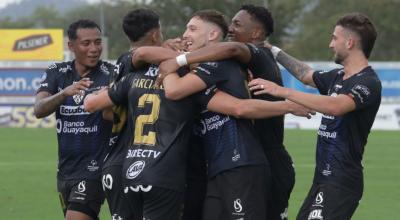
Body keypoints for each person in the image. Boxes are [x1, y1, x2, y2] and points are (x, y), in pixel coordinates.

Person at [157, 9, 312, 220]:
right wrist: (170, 54)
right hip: (225, 166)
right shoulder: (228, 64)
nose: (231, 29)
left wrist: (174, 61)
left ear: (256, 33)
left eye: (237, 24)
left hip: (249, 162)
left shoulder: (233, 58)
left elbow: (238, 104)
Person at [249, 13, 381, 220]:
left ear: (350, 42)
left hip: (342, 181)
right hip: (323, 180)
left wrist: (282, 91)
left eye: (334, 38)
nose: (330, 44)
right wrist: (273, 51)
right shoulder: (337, 76)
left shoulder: (368, 82)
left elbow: (336, 106)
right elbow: (305, 75)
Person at [34, 19, 113, 220]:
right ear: (71, 46)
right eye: (86, 43)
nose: (94, 49)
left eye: (97, 42)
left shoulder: (111, 74)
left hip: (96, 168)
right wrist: (63, 94)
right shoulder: (57, 72)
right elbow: (39, 109)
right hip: (66, 170)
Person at [100, 9, 164, 220]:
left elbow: (108, 114)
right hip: (128, 160)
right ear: (155, 34)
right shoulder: (132, 59)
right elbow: (143, 54)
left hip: (118, 161)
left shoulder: (121, 66)